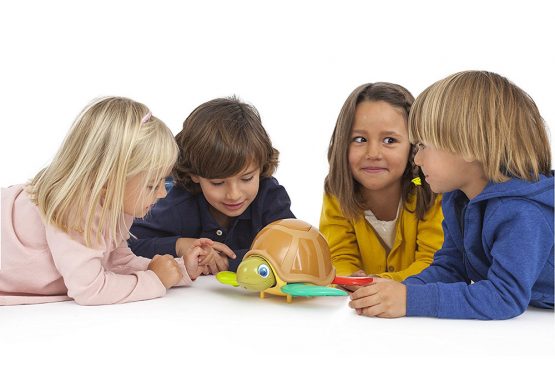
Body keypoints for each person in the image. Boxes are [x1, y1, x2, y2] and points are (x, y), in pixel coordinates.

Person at [349, 71, 554, 319]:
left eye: (424, 146)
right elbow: (451, 268)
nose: (417, 159)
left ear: (469, 146)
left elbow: (504, 297)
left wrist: (410, 300)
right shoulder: (458, 200)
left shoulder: (521, 212)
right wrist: (397, 290)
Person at [1, 97, 211, 306]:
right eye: (151, 185)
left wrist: (179, 269)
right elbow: (91, 289)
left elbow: (116, 262)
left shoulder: (116, 202)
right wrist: (155, 280)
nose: (162, 193)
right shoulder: (75, 209)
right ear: (107, 181)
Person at [129, 96, 294, 273]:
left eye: (247, 178)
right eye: (218, 182)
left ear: (260, 167)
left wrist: (228, 261)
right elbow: (124, 248)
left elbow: (292, 249)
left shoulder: (270, 196)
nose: (234, 194)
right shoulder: (177, 203)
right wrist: (179, 245)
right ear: (194, 174)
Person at [320, 82, 444, 287]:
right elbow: (337, 257)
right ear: (343, 143)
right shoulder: (339, 191)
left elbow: (434, 263)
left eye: (389, 141)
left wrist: (379, 282)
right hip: (360, 305)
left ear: (413, 146)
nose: (373, 154)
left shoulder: (430, 190)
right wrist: (350, 278)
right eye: (360, 139)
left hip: (412, 304)